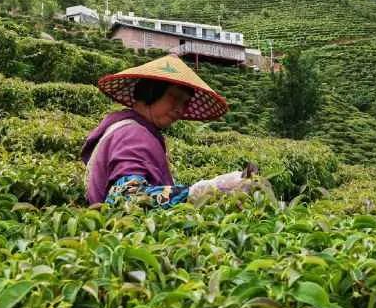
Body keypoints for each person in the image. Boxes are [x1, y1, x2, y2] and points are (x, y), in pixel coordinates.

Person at [81, 54, 255, 208]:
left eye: (185, 102)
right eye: (174, 97)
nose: (180, 109)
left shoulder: (123, 126)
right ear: (151, 91)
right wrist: (204, 191)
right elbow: (126, 197)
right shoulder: (134, 134)